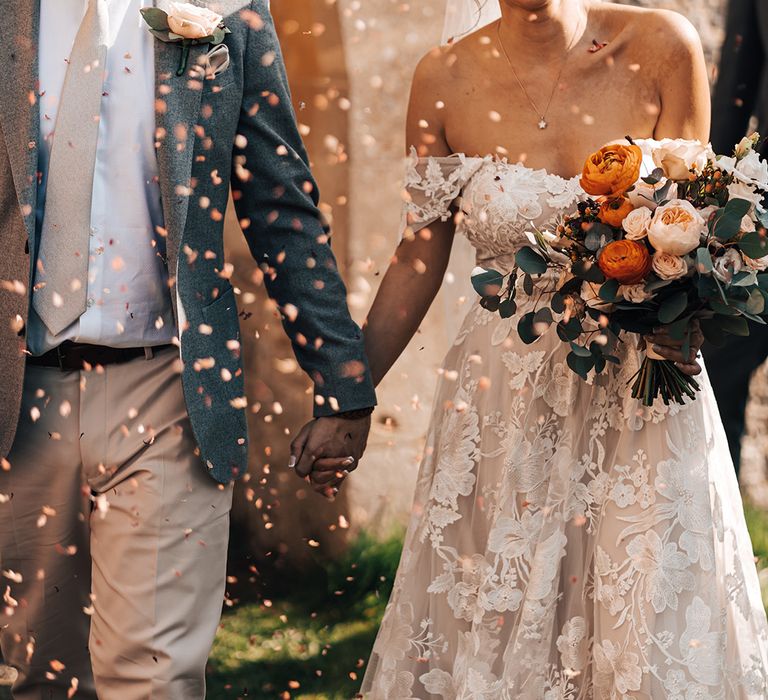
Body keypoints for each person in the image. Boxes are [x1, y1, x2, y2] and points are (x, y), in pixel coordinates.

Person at [349, 0, 768, 697]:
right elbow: (419, 252)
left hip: (641, 385)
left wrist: (683, 308)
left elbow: (694, 216)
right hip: (502, 398)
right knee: (500, 610)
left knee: (644, 610)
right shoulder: (442, 76)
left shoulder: (664, 43)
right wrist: (350, 390)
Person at [0, 1, 375, 698]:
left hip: (171, 391)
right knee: (37, 678)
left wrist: (341, 380)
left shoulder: (227, 8)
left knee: (157, 681)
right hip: (18, 396)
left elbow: (277, 198)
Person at [703, 0, 768, 474]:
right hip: (764, 210)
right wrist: (709, 199)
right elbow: (735, 90)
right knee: (722, 361)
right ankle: (715, 525)